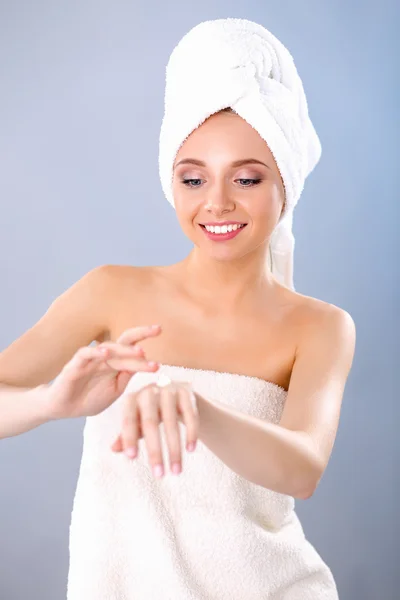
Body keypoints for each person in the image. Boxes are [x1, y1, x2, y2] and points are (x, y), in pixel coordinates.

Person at [0, 18, 356, 600]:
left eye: (246, 177)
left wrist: (196, 409)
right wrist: (48, 401)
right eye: (193, 179)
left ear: (283, 186)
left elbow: (303, 468)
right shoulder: (111, 292)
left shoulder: (319, 327)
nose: (217, 202)